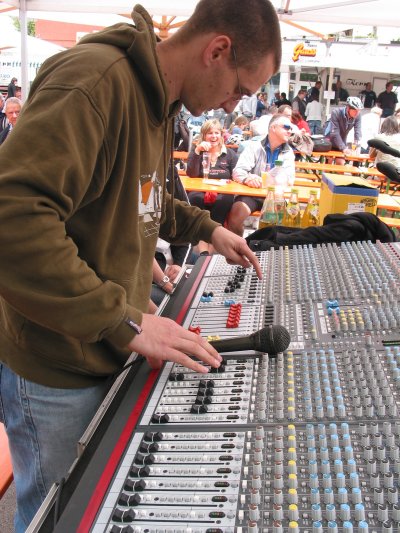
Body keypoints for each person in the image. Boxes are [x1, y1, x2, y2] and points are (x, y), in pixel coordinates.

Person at [0, 1, 281, 531]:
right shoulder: (95, 84)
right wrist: (126, 320)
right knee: (56, 518)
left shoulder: (157, 101)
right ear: (217, 50)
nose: (233, 105)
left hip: (102, 343)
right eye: (239, 89)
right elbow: (11, 220)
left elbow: (142, 198)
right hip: (55, 365)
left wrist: (207, 229)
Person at [227, 113, 295, 236]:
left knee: (279, 225)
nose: (290, 131)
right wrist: (248, 179)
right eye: (286, 127)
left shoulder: (288, 152)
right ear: (273, 128)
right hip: (252, 195)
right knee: (235, 216)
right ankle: (239, 246)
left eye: (291, 128)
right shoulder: (254, 146)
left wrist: (275, 181)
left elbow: (290, 180)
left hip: (276, 197)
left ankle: (267, 246)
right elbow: (238, 171)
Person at [187, 119, 238, 255]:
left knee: (223, 201)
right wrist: (197, 151)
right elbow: (191, 174)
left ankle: (209, 251)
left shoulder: (230, 154)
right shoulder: (198, 151)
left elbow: (236, 176)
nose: (214, 136)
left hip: (223, 191)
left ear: (221, 135)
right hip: (201, 190)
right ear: (204, 135)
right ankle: (203, 251)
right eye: (210, 133)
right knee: (195, 198)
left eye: (216, 133)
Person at [326, 96, 363, 164]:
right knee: (329, 163)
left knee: (341, 163)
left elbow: (358, 130)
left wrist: (357, 144)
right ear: (348, 108)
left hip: (342, 140)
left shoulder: (357, 115)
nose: (357, 113)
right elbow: (334, 133)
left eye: (359, 110)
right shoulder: (336, 112)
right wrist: (344, 148)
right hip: (330, 140)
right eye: (355, 110)